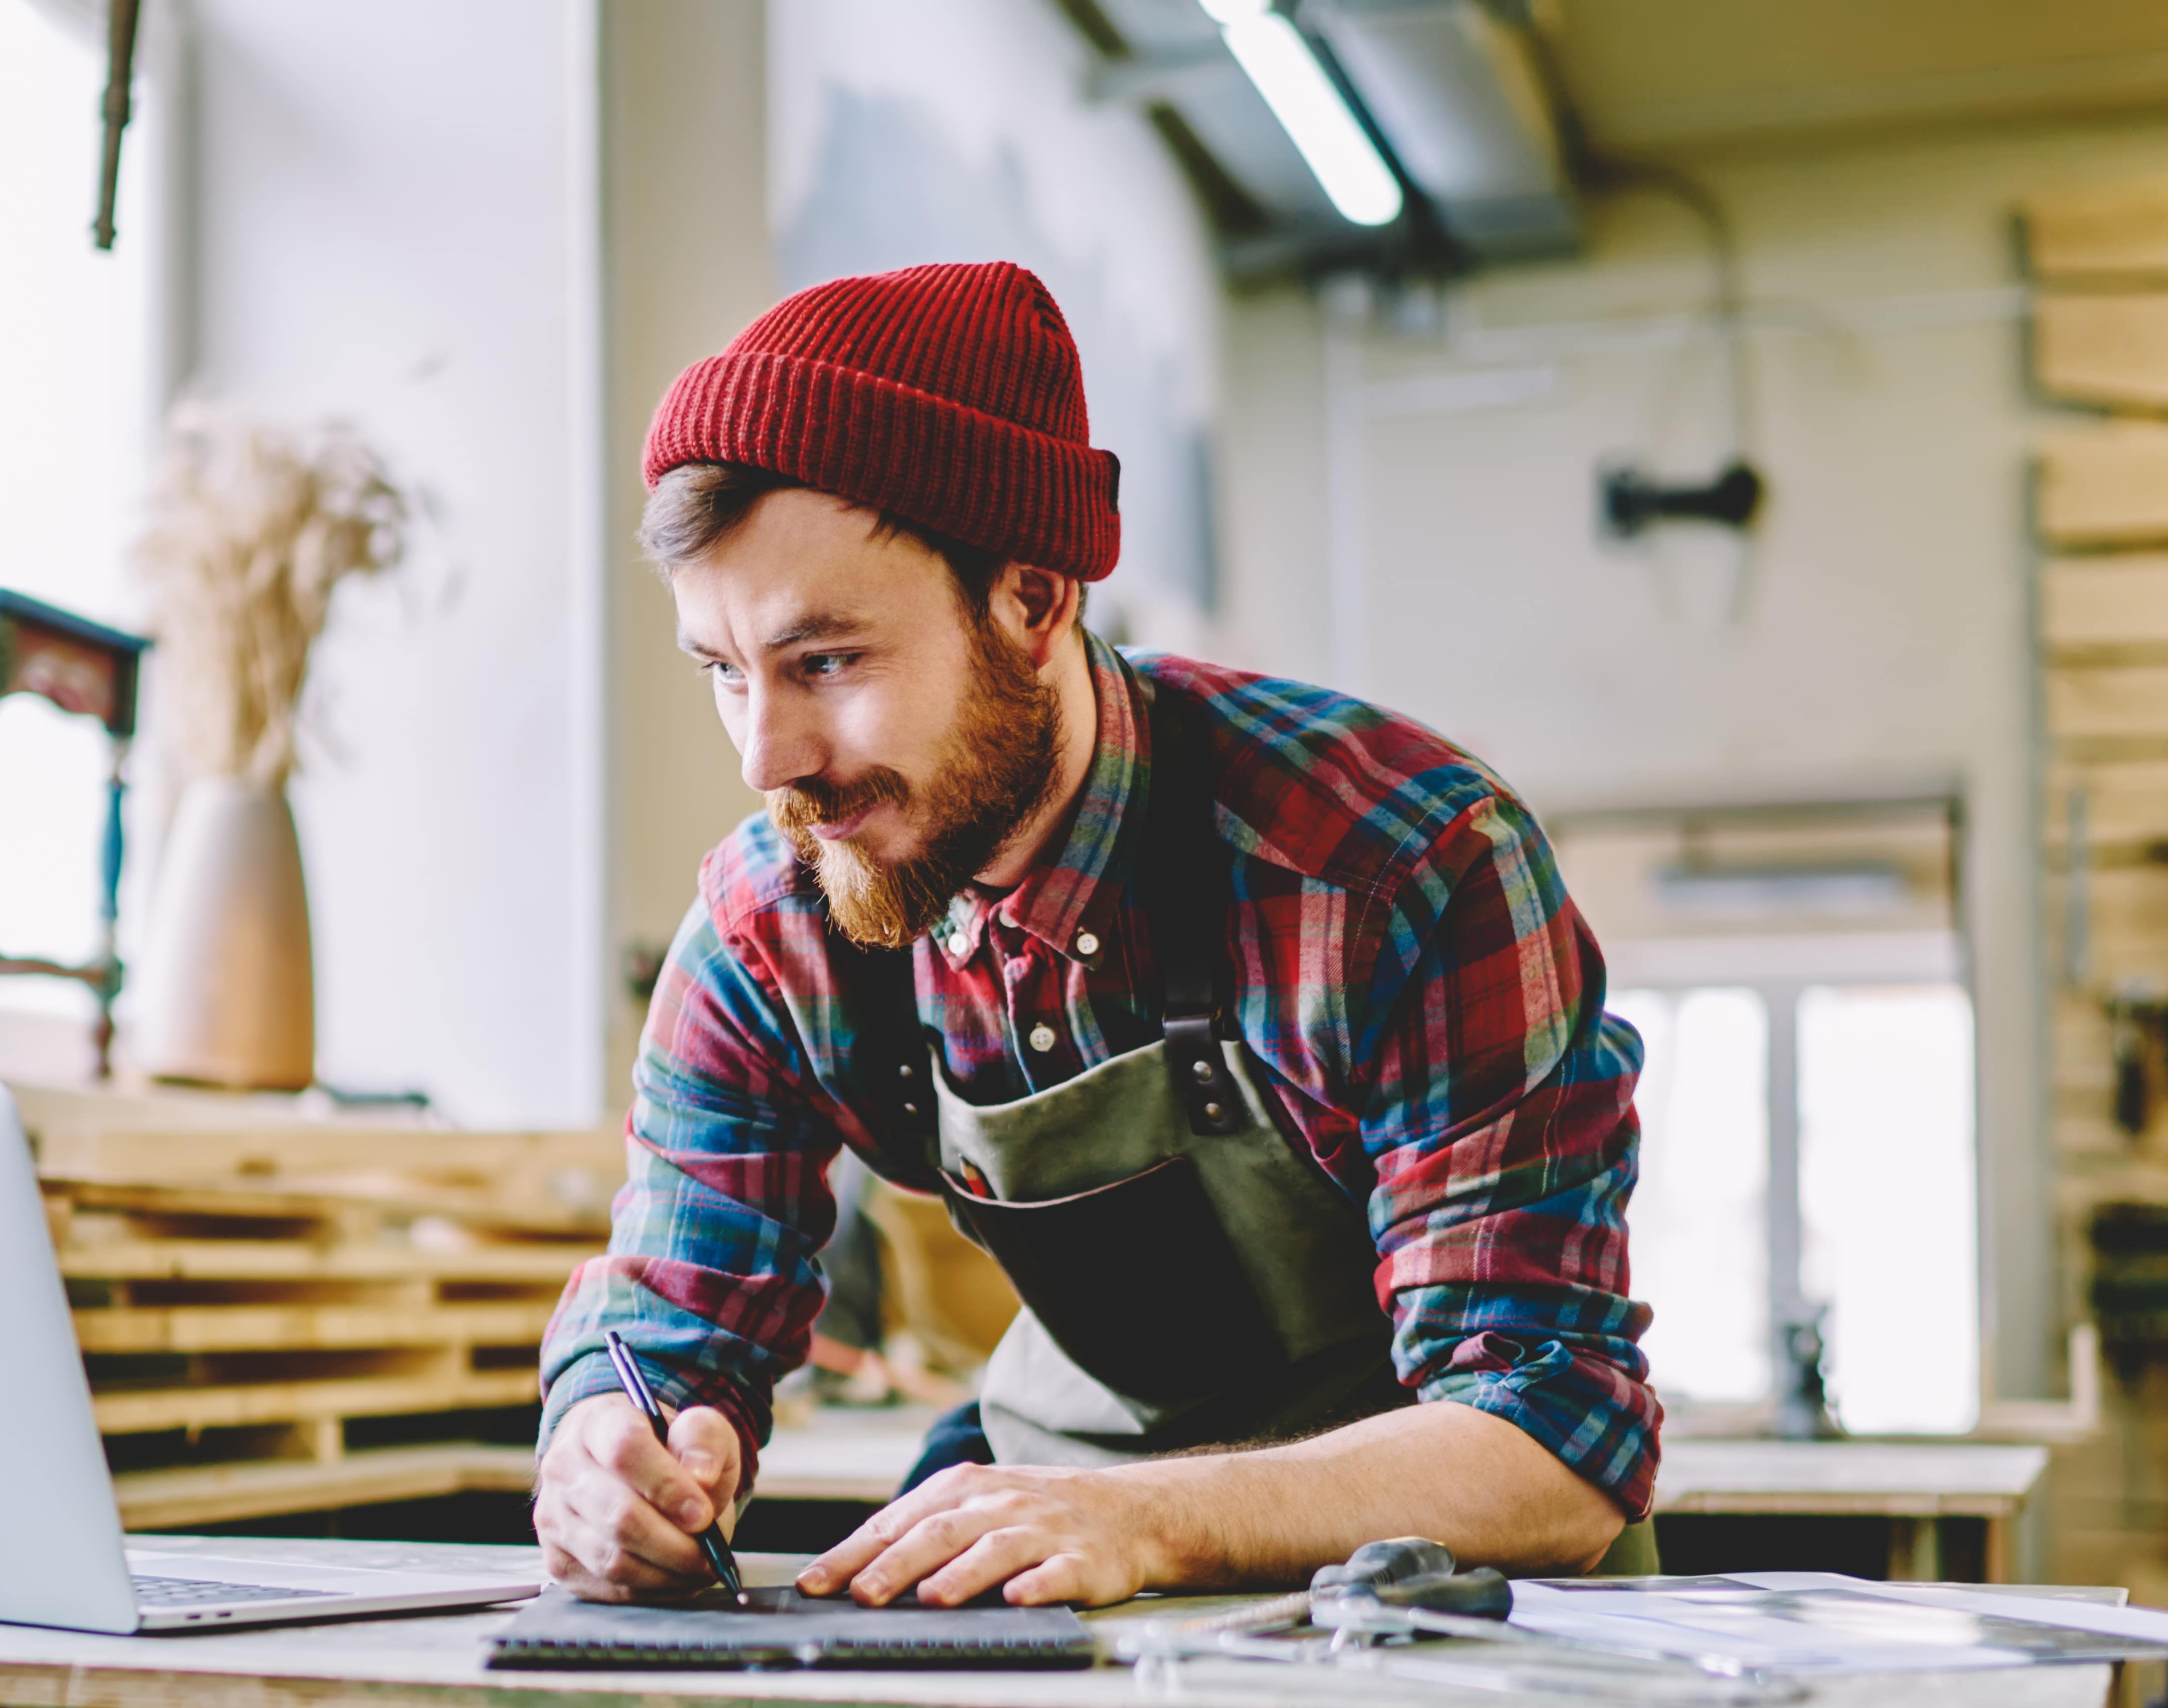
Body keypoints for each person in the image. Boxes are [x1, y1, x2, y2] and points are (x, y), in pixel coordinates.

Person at [532, 261, 1656, 1608]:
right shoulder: (779, 926)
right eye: (725, 671)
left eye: (826, 661)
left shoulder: (1396, 871)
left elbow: (1553, 1444)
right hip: (1059, 1567)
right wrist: (624, 1444)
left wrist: (1153, 1518)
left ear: (1033, 595)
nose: (769, 755)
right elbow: (665, 1330)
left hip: (1449, 1620)